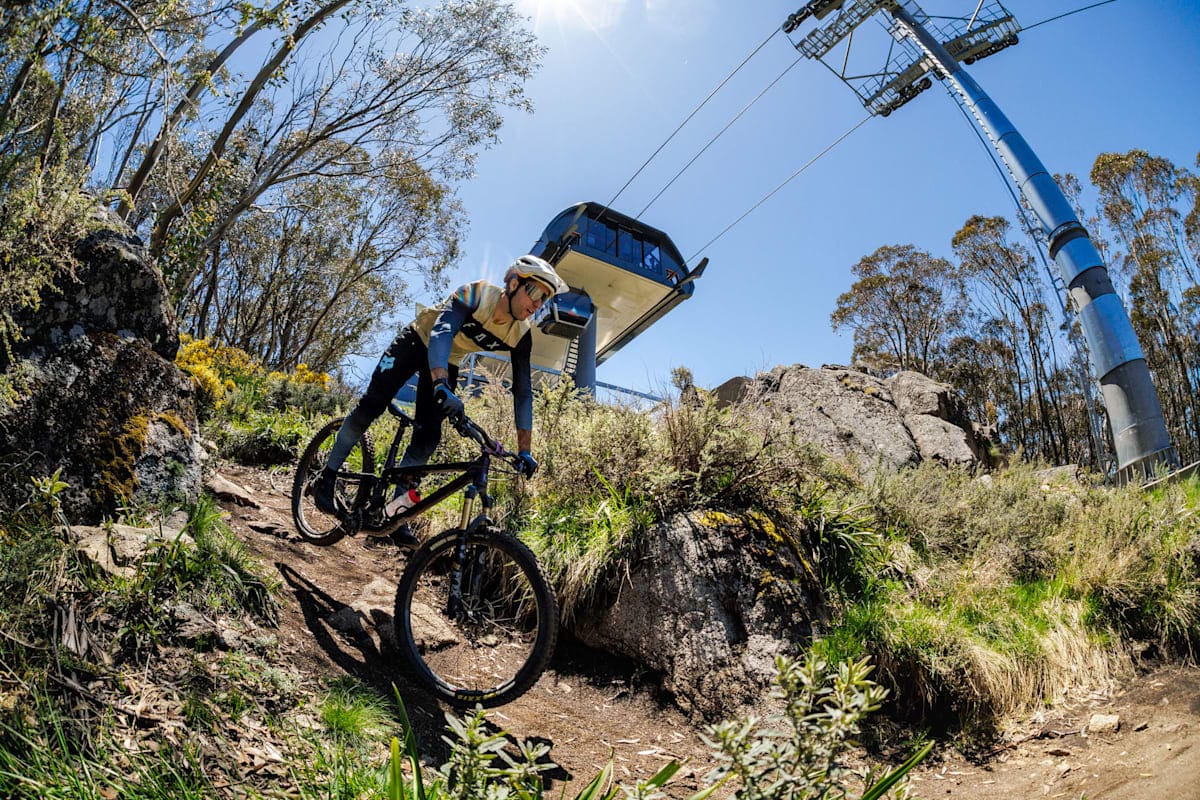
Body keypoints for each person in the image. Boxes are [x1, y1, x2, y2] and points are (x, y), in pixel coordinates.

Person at [311, 255, 567, 545]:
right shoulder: (477, 294)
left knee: (428, 437)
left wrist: (525, 450)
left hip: (450, 360)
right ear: (513, 283)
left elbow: (522, 392)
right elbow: (441, 331)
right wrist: (440, 384)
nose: (537, 303)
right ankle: (326, 477)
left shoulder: (521, 334)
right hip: (417, 340)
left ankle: (394, 515)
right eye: (534, 292)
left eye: (545, 298)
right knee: (371, 406)